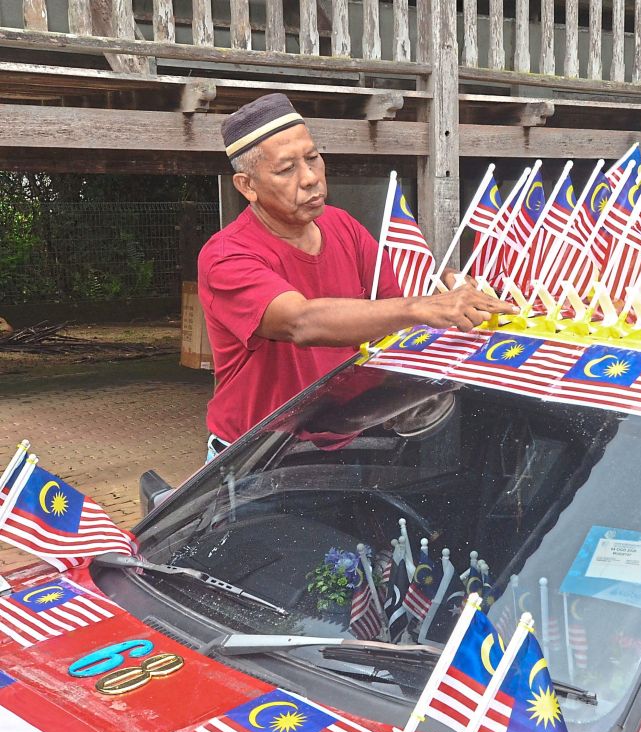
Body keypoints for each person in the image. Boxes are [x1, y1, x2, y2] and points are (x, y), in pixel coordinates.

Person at [198, 93, 511, 460]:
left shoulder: (341, 224)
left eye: (313, 158)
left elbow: (391, 311)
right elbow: (301, 321)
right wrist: (422, 306)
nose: (311, 178)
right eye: (286, 170)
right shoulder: (226, 256)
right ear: (247, 186)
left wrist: (439, 289)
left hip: (346, 441)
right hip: (259, 455)